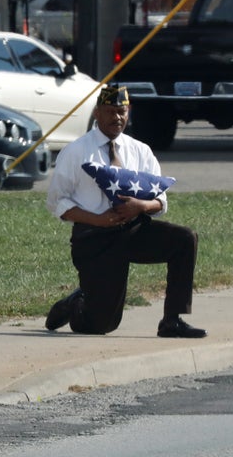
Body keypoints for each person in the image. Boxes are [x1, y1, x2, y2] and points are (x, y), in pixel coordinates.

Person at [44, 86, 206, 338]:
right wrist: (97, 219)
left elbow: (160, 198)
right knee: (101, 326)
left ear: (129, 112)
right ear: (97, 113)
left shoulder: (140, 151)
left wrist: (141, 207)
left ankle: (172, 320)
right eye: (110, 112)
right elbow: (57, 202)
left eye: (122, 112)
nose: (116, 118)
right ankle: (76, 303)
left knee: (184, 239)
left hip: (134, 230)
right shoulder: (76, 152)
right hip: (94, 238)